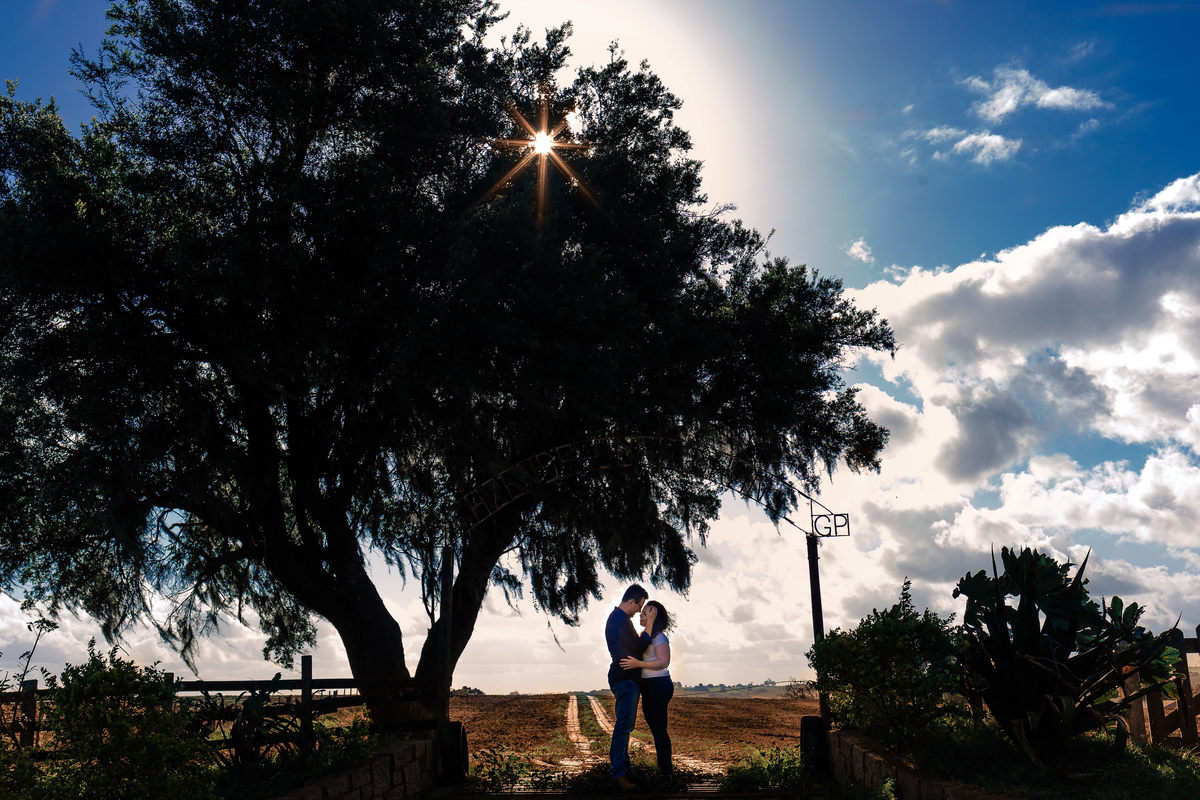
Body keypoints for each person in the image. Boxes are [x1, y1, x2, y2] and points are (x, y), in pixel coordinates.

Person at [620, 600, 674, 777]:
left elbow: (664, 661)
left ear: (653, 617)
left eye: (645, 613)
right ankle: (665, 769)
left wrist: (638, 664)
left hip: (658, 685)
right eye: (642, 612)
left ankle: (665, 772)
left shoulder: (659, 637)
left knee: (659, 730)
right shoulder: (647, 635)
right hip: (651, 686)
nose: (641, 615)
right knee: (658, 729)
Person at [605, 584, 648, 790]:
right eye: (639, 606)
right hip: (625, 677)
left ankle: (625, 768)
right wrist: (650, 626)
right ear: (632, 601)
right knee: (623, 727)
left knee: (625, 726)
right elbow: (638, 648)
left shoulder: (618, 619)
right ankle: (619, 774)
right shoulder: (621, 620)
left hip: (623, 677)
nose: (639, 611)